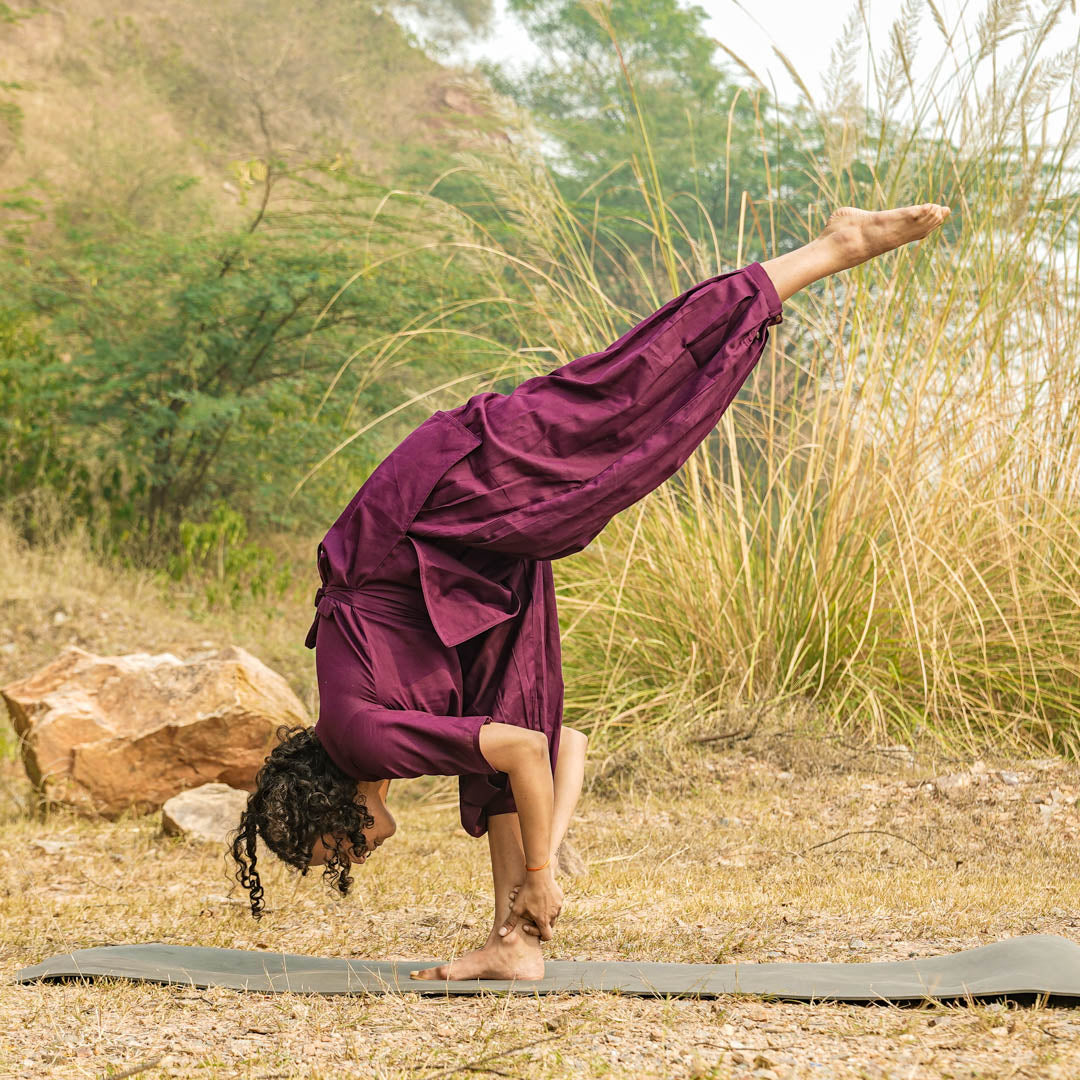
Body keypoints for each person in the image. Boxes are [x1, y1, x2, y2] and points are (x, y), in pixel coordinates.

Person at [228, 204, 950, 981]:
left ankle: (831, 248)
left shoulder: (361, 741)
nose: (344, 861)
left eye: (324, 849)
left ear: (329, 812)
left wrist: (542, 869)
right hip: (461, 564)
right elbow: (550, 744)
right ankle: (515, 945)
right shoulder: (362, 734)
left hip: (445, 504)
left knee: (621, 402)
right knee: (516, 707)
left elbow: (520, 750)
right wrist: (542, 850)